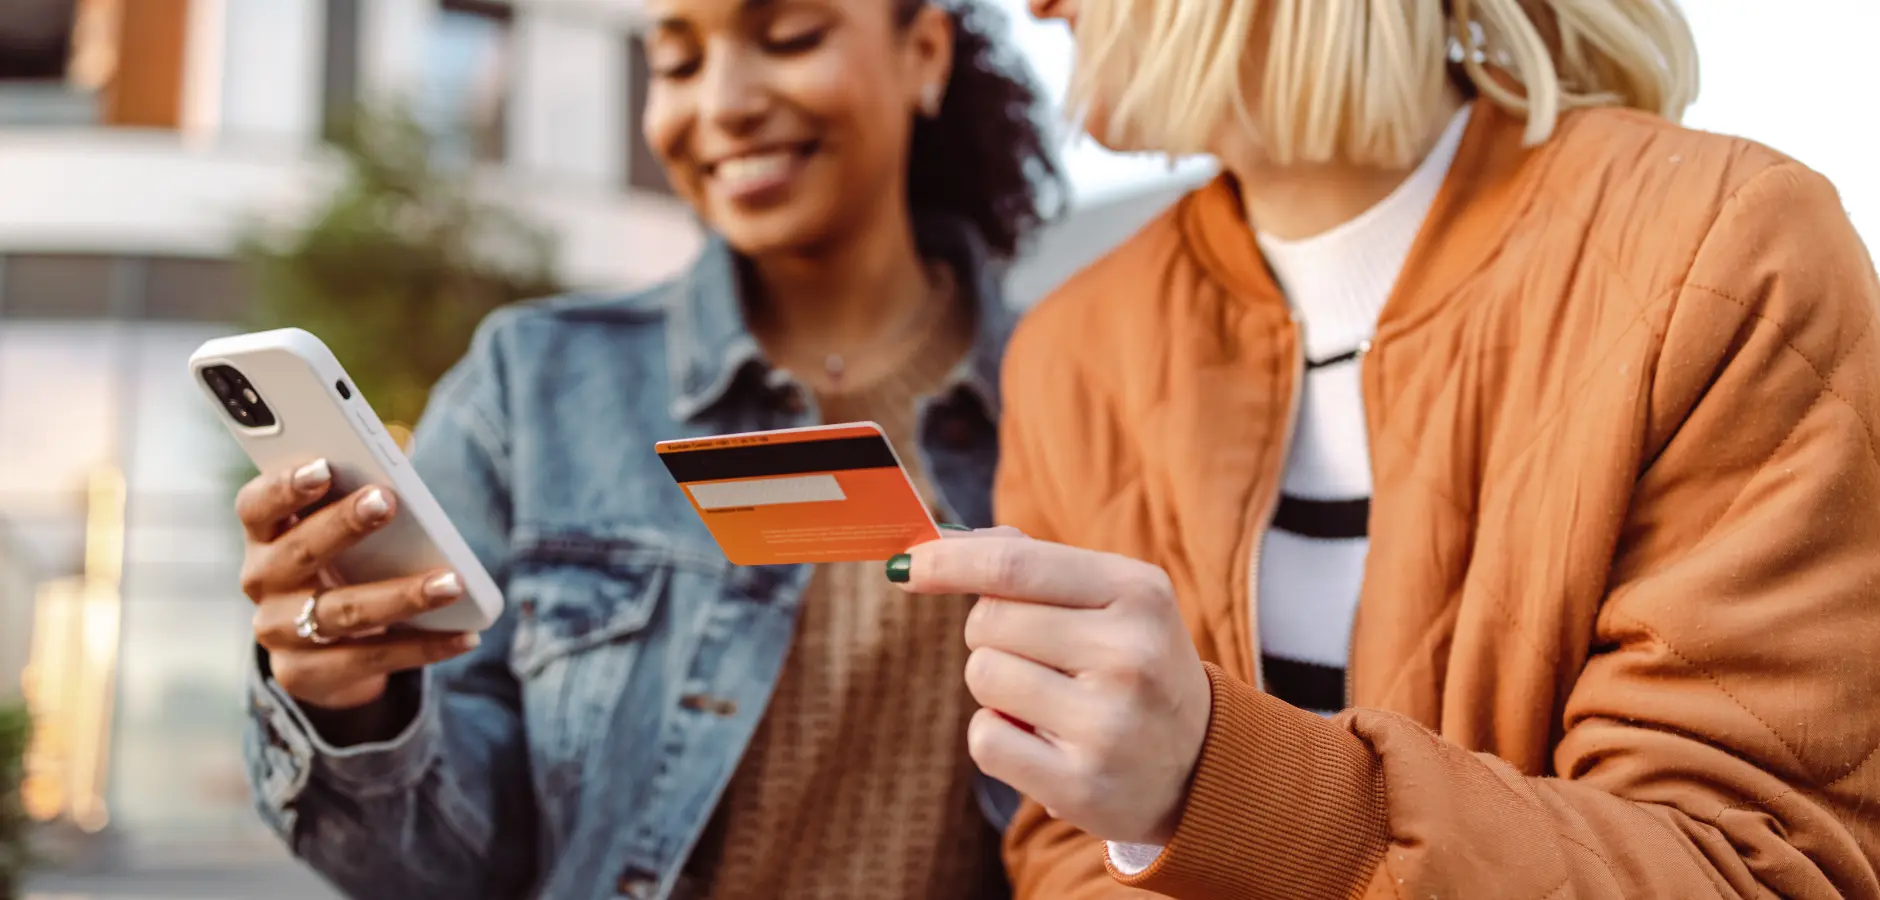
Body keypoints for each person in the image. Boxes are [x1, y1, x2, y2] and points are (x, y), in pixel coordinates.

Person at [890, 0, 1880, 897]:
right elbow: (1066, 853)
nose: (1036, 6)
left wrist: (1226, 788)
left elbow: (1749, 865)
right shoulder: (1072, 352)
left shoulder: (1724, 254)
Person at [234, 1, 1060, 897]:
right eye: (676, 64)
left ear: (925, 52)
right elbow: (444, 867)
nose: (724, 104)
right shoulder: (534, 385)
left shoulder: (1073, 389)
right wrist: (351, 707)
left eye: (790, 38)